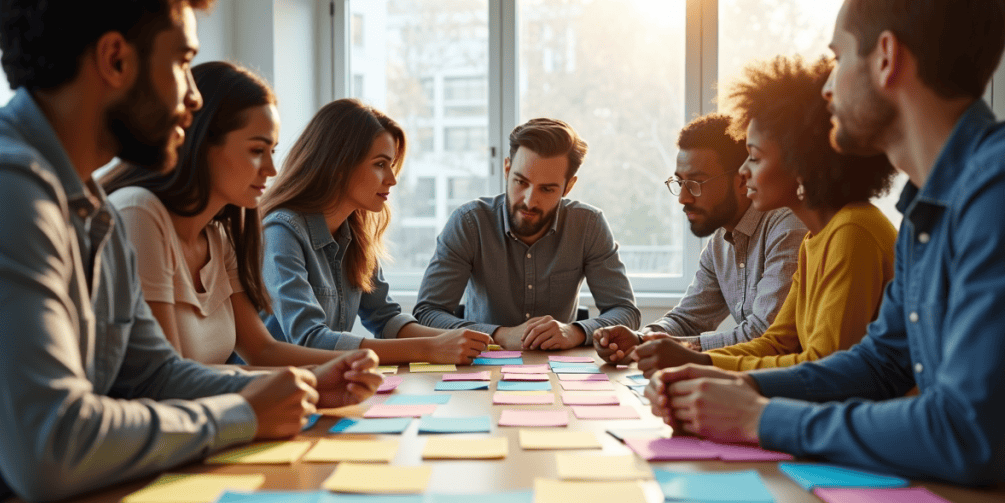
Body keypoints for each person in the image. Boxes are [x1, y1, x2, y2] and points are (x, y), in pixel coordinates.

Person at [0, 0, 381, 503]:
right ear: (115, 60)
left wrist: (303, 389)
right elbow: (50, 445)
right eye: (183, 62)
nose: (194, 97)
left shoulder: (92, 209)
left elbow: (154, 373)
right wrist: (243, 413)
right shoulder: (13, 192)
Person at [646, 0, 1005, 486]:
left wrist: (759, 417)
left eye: (839, 59)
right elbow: (880, 363)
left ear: (886, 58)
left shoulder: (1004, 185)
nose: (827, 89)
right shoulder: (925, 208)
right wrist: (733, 386)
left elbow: (966, 431)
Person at [631, 55, 897, 378]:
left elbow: (824, 370)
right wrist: (693, 358)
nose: (744, 172)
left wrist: (697, 360)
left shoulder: (851, 232)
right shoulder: (816, 239)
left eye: (754, 158)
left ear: (801, 164)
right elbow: (775, 343)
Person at [102, 62, 379, 367]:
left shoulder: (219, 236)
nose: (271, 170)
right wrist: (311, 378)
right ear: (202, 143)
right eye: (257, 151)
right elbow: (166, 379)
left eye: (272, 152)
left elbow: (262, 352)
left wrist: (339, 370)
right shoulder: (139, 213)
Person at [259, 99, 492, 365]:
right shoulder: (281, 231)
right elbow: (309, 338)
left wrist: (460, 340)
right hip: (270, 391)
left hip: (319, 384)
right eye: (380, 164)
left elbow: (385, 318)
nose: (392, 178)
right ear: (338, 165)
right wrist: (430, 348)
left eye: (391, 165)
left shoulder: (354, 235)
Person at [413, 118, 641, 351]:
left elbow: (626, 312)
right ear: (506, 169)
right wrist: (500, 335)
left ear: (568, 186)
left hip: (559, 369)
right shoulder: (469, 223)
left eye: (547, 189)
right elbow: (427, 313)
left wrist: (574, 332)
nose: (529, 201)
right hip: (479, 364)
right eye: (521, 182)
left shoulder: (589, 225)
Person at [594, 114, 806, 363]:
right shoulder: (720, 242)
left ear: (742, 180)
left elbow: (764, 336)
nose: (683, 197)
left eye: (695, 182)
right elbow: (687, 319)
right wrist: (642, 338)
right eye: (680, 182)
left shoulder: (788, 227)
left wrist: (673, 347)